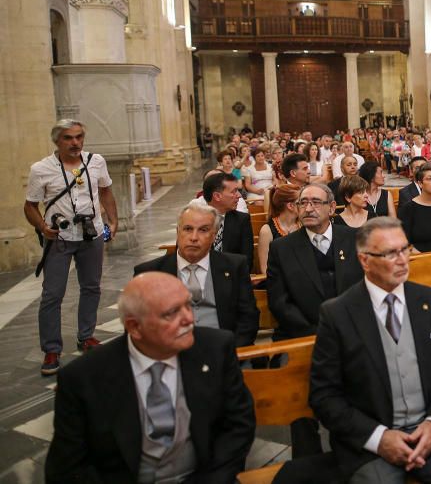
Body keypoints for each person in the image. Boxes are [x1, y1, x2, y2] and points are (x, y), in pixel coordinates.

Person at [308, 218, 431, 483]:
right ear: (364, 260)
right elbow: (324, 395)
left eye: (404, 249)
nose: (403, 260)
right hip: (373, 444)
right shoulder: (338, 313)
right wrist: (379, 438)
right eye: (390, 253)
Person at [46, 272, 255, 482]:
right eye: (171, 313)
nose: (189, 319)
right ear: (135, 327)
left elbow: (238, 425)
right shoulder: (83, 378)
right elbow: (67, 469)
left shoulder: (215, 348)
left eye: (187, 305)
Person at [24, 119, 117, 375]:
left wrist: (113, 219)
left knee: (91, 287)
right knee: (52, 294)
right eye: (68, 138)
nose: (75, 142)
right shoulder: (41, 169)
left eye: (79, 137)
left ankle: (86, 336)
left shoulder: (96, 161)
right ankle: (51, 349)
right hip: (59, 238)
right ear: (57, 140)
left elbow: (106, 190)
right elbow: (30, 205)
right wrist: (43, 227)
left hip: (92, 234)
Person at [134, 200, 259, 347]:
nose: (194, 237)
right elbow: (140, 327)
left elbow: (248, 318)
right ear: (178, 232)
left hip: (224, 351)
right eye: (187, 229)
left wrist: (228, 353)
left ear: (214, 236)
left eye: (203, 230)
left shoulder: (234, 266)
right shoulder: (150, 273)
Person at [266, 184, 363, 341]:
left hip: (354, 329)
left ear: (331, 208)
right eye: (302, 203)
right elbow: (279, 302)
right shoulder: (282, 248)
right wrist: (316, 333)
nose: (308, 209)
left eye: (316, 202)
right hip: (303, 334)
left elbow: (369, 286)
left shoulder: (356, 239)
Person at [202, 171, 254, 265]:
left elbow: (246, 260)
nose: (239, 195)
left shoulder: (241, 220)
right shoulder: (195, 220)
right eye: (233, 191)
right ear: (217, 196)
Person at [257, 184, 301, 276]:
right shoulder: (267, 230)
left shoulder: (303, 225)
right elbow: (264, 269)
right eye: (301, 202)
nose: (306, 206)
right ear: (290, 206)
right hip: (278, 281)